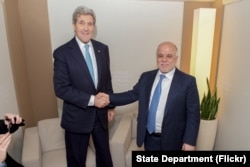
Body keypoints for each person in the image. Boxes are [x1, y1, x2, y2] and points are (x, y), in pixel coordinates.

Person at [98, 41, 200, 151]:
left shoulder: (188, 82)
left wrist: (189, 141)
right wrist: (108, 97)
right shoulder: (146, 77)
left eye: (169, 56)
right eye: (160, 56)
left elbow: (193, 115)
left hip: (174, 140)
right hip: (149, 138)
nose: (164, 60)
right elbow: (131, 95)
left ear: (176, 58)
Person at [53, 5, 114, 167]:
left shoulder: (102, 49)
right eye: (81, 23)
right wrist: (93, 100)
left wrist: (111, 106)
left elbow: (107, 80)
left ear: (94, 26)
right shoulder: (62, 53)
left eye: (90, 23)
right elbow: (61, 88)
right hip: (76, 118)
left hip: (100, 116)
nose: (86, 28)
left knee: (105, 160)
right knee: (76, 162)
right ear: (74, 25)